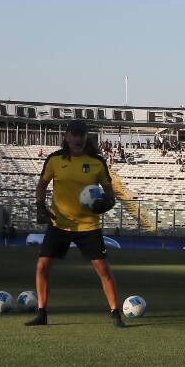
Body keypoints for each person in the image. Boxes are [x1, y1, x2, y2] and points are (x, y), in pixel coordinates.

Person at [25, 120, 124, 328]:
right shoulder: (54, 160)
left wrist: (106, 204)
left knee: (103, 269)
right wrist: (40, 207)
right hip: (59, 223)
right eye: (74, 134)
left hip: (88, 226)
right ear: (67, 137)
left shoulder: (97, 162)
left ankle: (116, 313)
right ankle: (41, 313)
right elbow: (42, 185)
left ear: (85, 137)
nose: (78, 138)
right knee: (42, 266)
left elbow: (110, 194)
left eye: (81, 134)